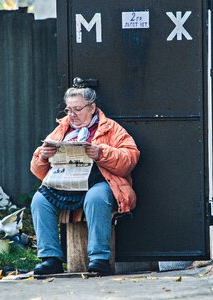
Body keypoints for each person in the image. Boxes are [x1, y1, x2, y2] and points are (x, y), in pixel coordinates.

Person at [30, 77, 140, 275]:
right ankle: (50, 259)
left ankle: (99, 259)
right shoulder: (61, 130)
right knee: (39, 200)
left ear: (92, 107)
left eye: (77, 109)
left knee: (96, 197)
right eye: (68, 110)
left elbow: (130, 159)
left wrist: (101, 153)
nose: (71, 115)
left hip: (98, 183)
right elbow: (38, 172)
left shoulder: (111, 128)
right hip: (65, 186)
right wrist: (42, 157)